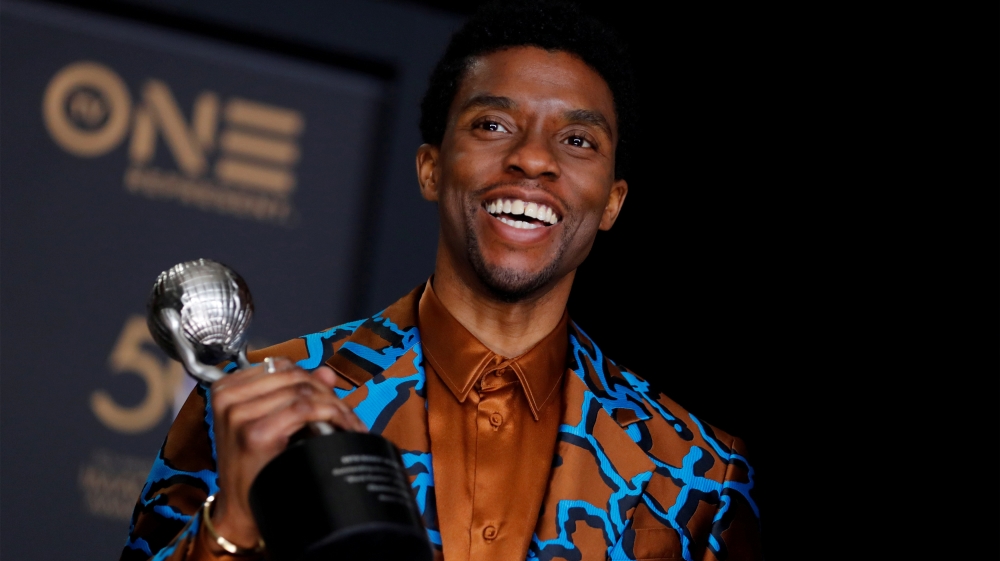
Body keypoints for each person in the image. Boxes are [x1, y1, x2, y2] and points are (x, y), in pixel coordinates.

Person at [121, 2, 762, 560]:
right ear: (431, 169)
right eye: (493, 125)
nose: (532, 158)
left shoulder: (699, 473)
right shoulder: (254, 406)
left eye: (577, 140)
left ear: (613, 202)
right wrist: (233, 527)